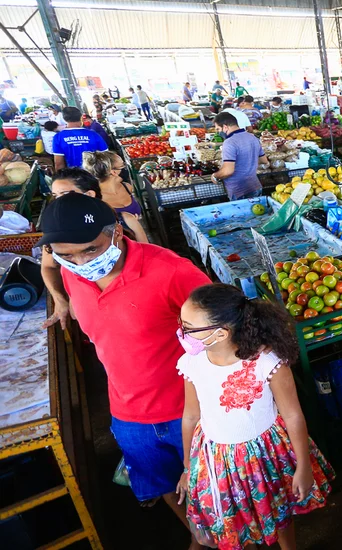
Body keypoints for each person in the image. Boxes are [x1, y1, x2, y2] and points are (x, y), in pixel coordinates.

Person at [37, 193, 210, 550]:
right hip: (129, 416)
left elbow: (225, 326)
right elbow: (54, 269)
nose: (80, 262)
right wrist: (59, 297)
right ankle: (199, 536)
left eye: (90, 250)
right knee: (161, 484)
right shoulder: (72, 275)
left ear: (116, 232)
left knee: (215, 487)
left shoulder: (171, 270)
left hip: (193, 413)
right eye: (65, 255)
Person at [175, 283, 333, 549]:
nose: (182, 334)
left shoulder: (267, 362)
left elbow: (293, 415)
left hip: (266, 453)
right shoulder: (192, 363)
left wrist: (303, 466)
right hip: (217, 460)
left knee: (279, 508)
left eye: (189, 328)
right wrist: (188, 468)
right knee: (236, 518)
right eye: (182, 324)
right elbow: (190, 416)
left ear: (221, 333)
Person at [50, 166, 147, 242]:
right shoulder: (56, 229)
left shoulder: (125, 220)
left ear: (89, 194)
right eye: (55, 196)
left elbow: (147, 252)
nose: (59, 201)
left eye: (65, 194)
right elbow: (48, 266)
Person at [82, 150, 146, 232]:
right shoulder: (96, 200)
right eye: (123, 165)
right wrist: (130, 224)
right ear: (113, 172)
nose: (125, 168)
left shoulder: (127, 187)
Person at [212, 111, 266, 200]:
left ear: (225, 127)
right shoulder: (253, 137)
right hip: (255, 186)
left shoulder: (229, 142)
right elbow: (264, 161)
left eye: (218, 129)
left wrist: (215, 176)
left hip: (239, 191)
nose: (218, 132)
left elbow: (228, 171)